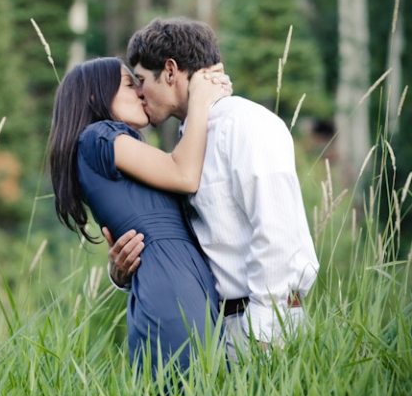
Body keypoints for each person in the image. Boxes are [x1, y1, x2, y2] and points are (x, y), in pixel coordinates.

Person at [106, 18, 319, 361]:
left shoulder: (245, 124)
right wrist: (122, 273)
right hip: (214, 330)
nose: (140, 93)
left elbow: (276, 231)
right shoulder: (189, 141)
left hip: (260, 326)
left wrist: (263, 334)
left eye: (142, 80)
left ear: (171, 71)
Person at [49, 57, 231, 375]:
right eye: (130, 84)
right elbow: (185, 174)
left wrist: (120, 274)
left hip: (178, 283)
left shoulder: (104, 147)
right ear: (96, 96)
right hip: (173, 289)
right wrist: (200, 99)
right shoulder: (99, 136)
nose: (141, 92)